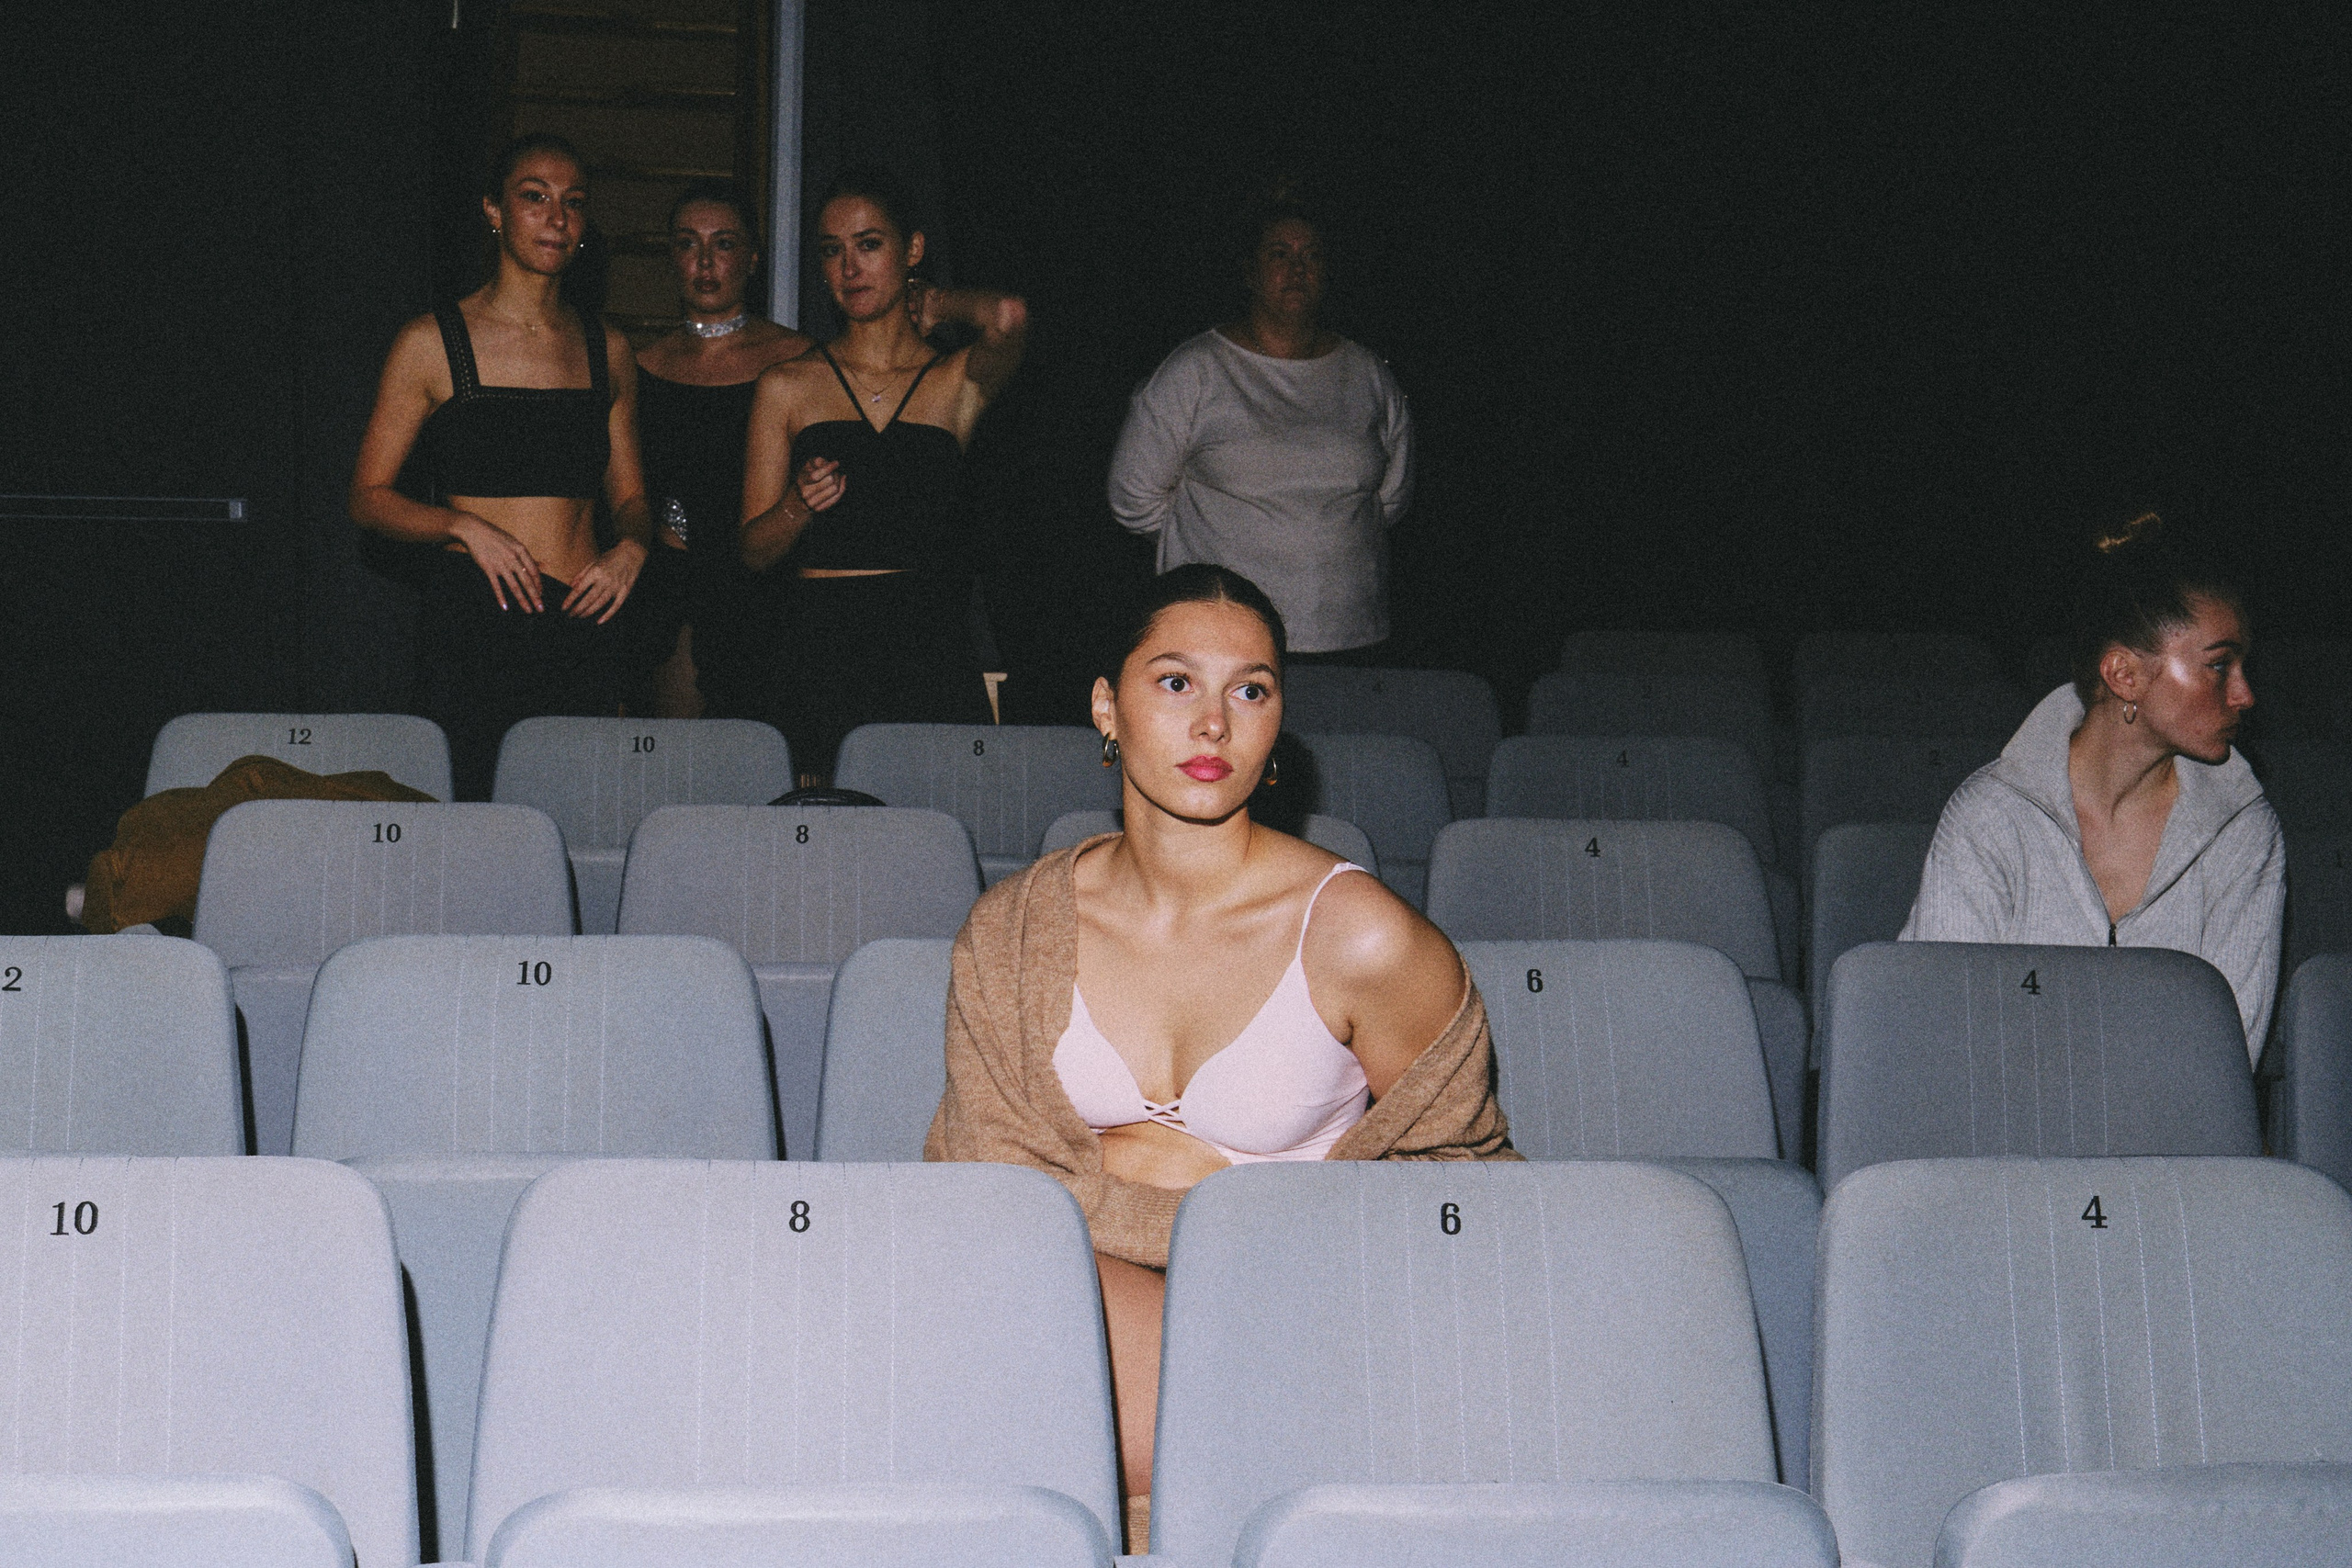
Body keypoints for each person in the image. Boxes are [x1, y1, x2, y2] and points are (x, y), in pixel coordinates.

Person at [925, 564, 1515, 1548]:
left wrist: (1209, 1232)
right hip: (1063, 1308)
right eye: (1174, 683)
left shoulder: (1364, 940)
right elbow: (983, 1182)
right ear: (1106, 707)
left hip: (1289, 1306)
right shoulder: (1011, 929)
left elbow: (1460, 1194)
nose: (1214, 725)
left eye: (1251, 689)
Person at [350, 132, 673, 798]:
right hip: (476, 621)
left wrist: (634, 548)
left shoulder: (606, 347)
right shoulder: (430, 341)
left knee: (584, 821)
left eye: (573, 202)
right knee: (475, 828)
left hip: (588, 618)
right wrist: (462, 527)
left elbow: (633, 496)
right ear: (494, 211)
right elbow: (369, 497)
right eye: (535, 198)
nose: (557, 218)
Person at [1901, 515, 2285, 1055]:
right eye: (2220, 666)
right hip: (2000, 1136)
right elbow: (1945, 1036)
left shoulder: (2244, 833)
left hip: (2174, 1139)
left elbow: (2220, 1063)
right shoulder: (1991, 818)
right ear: (2124, 675)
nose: (2245, 695)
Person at [739, 165, 1026, 775]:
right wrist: (796, 505)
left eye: (869, 245)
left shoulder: (952, 382)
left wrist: (939, 301)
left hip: (927, 644)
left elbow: (1007, 316)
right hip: (820, 645)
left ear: (911, 249)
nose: (850, 268)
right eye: (832, 251)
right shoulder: (788, 384)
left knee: (933, 842)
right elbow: (753, 550)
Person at [1107, 189, 1413, 664]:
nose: (1297, 268)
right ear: (1250, 272)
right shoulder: (1197, 369)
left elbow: (1390, 497)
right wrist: (1215, 546)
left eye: (1311, 256)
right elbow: (1133, 499)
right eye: (1280, 254)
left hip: (1352, 636)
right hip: (1225, 642)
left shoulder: (1368, 373)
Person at [634, 181, 811, 718]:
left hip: (769, 596)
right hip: (672, 598)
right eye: (688, 244)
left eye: (724, 244)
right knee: (678, 778)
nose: (705, 261)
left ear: (753, 258)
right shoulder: (641, 365)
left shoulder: (798, 359)